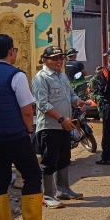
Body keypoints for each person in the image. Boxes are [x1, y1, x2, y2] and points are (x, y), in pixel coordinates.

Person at [0, 34, 58, 220]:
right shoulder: (16, 76)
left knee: (0, 176)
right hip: (14, 136)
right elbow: (27, 110)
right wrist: (29, 130)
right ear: (11, 52)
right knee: (32, 175)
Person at [32, 46, 87, 209]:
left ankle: (63, 189)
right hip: (49, 127)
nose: (58, 61)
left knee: (64, 159)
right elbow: (42, 104)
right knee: (49, 161)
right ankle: (47, 195)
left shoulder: (62, 76)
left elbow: (70, 94)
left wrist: (77, 101)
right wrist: (61, 118)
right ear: (44, 60)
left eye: (60, 58)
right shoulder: (40, 78)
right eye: (54, 58)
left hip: (65, 125)